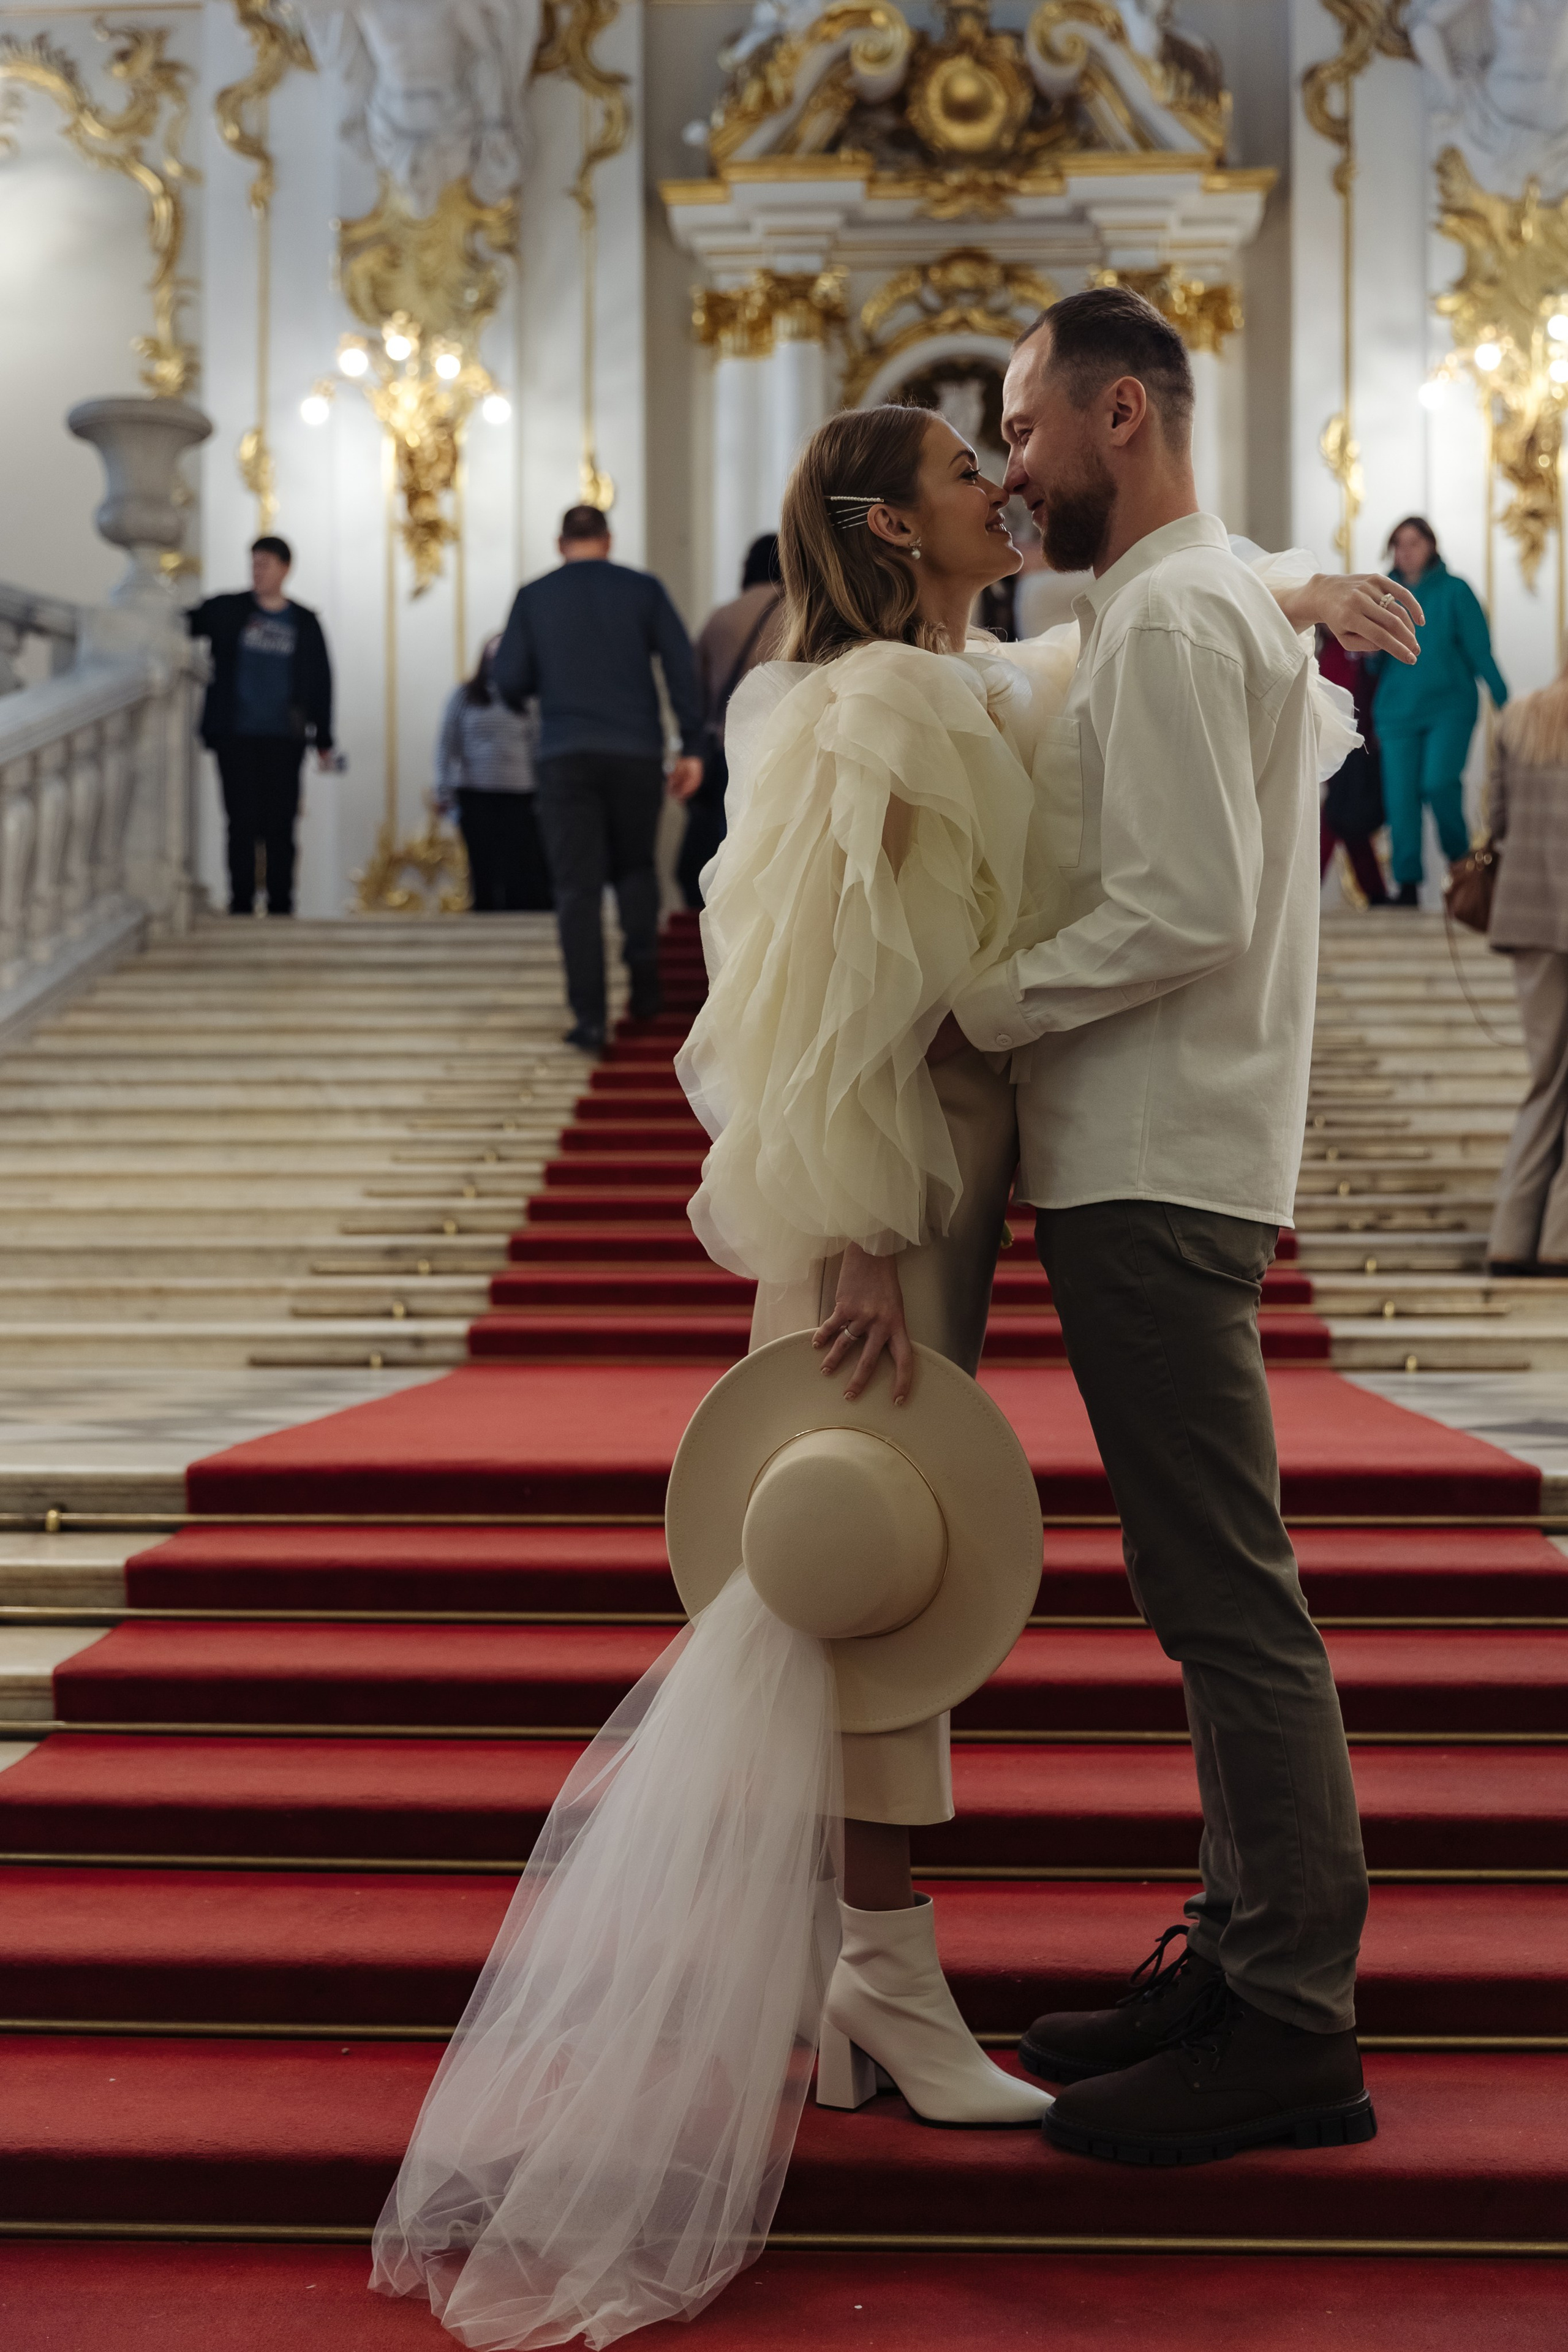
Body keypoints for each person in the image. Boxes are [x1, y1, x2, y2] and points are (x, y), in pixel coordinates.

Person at [369, 394, 1419, 2348]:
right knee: (861, 1566)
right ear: (882, 517)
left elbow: (1129, 633)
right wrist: (848, 1217)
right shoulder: (858, 694)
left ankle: (871, 1972)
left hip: (947, 1155)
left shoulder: (960, 663)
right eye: (964, 471)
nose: (999, 485)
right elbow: (819, 969)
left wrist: (1293, 584)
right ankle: (884, 1972)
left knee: (896, 1561)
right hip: (882, 1168)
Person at [932, 284, 1427, 2165]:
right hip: (1165, 1142)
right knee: (1205, 1587)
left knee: (1225, 1597)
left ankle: (1289, 2014)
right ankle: (1236, 1956)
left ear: (1120, 413)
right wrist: (1287, 594)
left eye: (1025, 421)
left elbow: (1179, 907)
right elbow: (1262, 783)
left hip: (1153, 1148)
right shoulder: (1181, 603)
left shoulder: (1170, 610)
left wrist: (974, 1001)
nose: (1011, 462)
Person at [494, 505, 704, 1051]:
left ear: (560, 542)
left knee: (576, 887)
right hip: (636, 751)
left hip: (564, 753)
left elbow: (509, 677)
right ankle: (644, 984)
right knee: (636, 865)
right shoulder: (644, 590)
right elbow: (682, 667)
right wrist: (691, 746)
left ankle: (590, 1018)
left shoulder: (534, 596)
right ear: (608, 541)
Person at [186, 536, 334, 917]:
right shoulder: (228, 610)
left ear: (285, 569)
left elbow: (320, 681)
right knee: (240, 822)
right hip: (235, 735)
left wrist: (324, 738)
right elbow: (184, 623)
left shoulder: (304, 621)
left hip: (285, 738)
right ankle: (241, 903)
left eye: (265, 564)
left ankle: (282, 904)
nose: (258, 572)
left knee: (281, 825)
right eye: (254, 564)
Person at [1369, 514, 1506, 905]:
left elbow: (1481, 652)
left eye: (1413, 542)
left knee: (1438, 783)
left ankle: (1462, 871)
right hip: (1397, 714)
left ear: (1431, 546)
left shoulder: (1457, 591)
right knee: (1400, 798)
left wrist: (1508, 706)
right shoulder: (1384, 594)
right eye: (1398, 543)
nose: (1405, 551)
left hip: (1450, 708)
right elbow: (1372, 664)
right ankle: (1408, 887)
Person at [1484, 653, 1568, 1273]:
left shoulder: (1515, 718)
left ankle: (1511, 1237)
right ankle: (1559, 1240)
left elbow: (1495, 821)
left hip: (1530, 917)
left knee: (1545, 1080)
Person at [679, 533, 784, 908]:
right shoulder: (802, 613)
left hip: (729, 748)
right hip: (785, 747)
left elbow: (699, 693)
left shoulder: (721, 617)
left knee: (730, 848)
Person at [434, 636, 551, 912]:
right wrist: (443, 788)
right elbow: (446, 744)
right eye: (492, 656)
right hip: (476, 793)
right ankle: (484, 916)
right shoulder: (464, 696)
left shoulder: (528, 699)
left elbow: (538, 746)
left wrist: (545, 790)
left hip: (520, 793)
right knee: (483, 863)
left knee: (518, 865)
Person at [1317, 627, 1390, 905]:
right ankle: (1376, 893)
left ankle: (1375, 893)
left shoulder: (1365, 646)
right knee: (1342, 817)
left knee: (1344, 817)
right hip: (1335, 744)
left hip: (1362, 746)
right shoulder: (1327, 649)